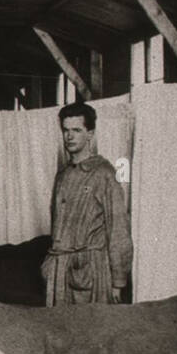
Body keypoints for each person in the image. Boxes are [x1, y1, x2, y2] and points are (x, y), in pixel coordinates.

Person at [40, 102, 132, 305]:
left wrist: (118, 281)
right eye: (65, 130)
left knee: (89, 331)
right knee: (58, 330)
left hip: (91, 273)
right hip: (60, 270)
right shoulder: (62, 175)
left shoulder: (104, 174)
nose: (69, 136)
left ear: (90, 134)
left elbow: (119, 231)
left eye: (76, 130)